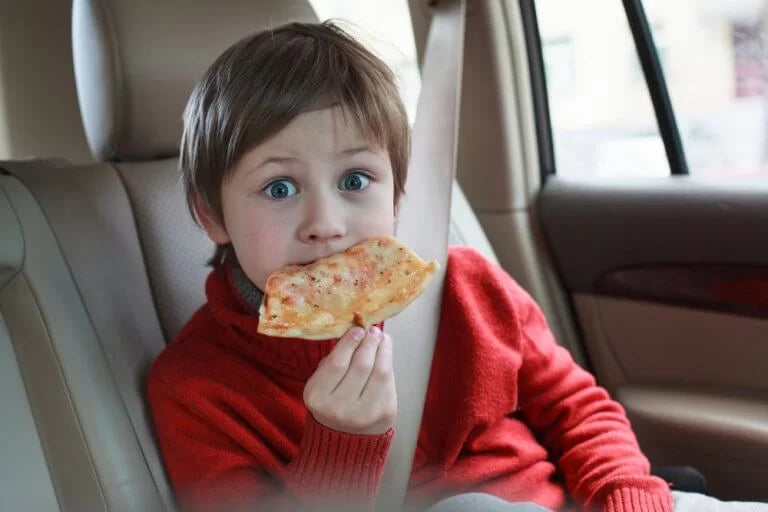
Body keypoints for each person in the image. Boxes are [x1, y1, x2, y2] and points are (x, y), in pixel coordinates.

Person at [146, 21, 768, 512]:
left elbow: (579, 411)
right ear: (212, 216)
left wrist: (627, 498)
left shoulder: (466, 288)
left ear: (398, 194)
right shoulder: (197, 389)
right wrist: (343, 443)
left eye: (356, 179)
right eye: (279, 188)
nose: (326, 222)